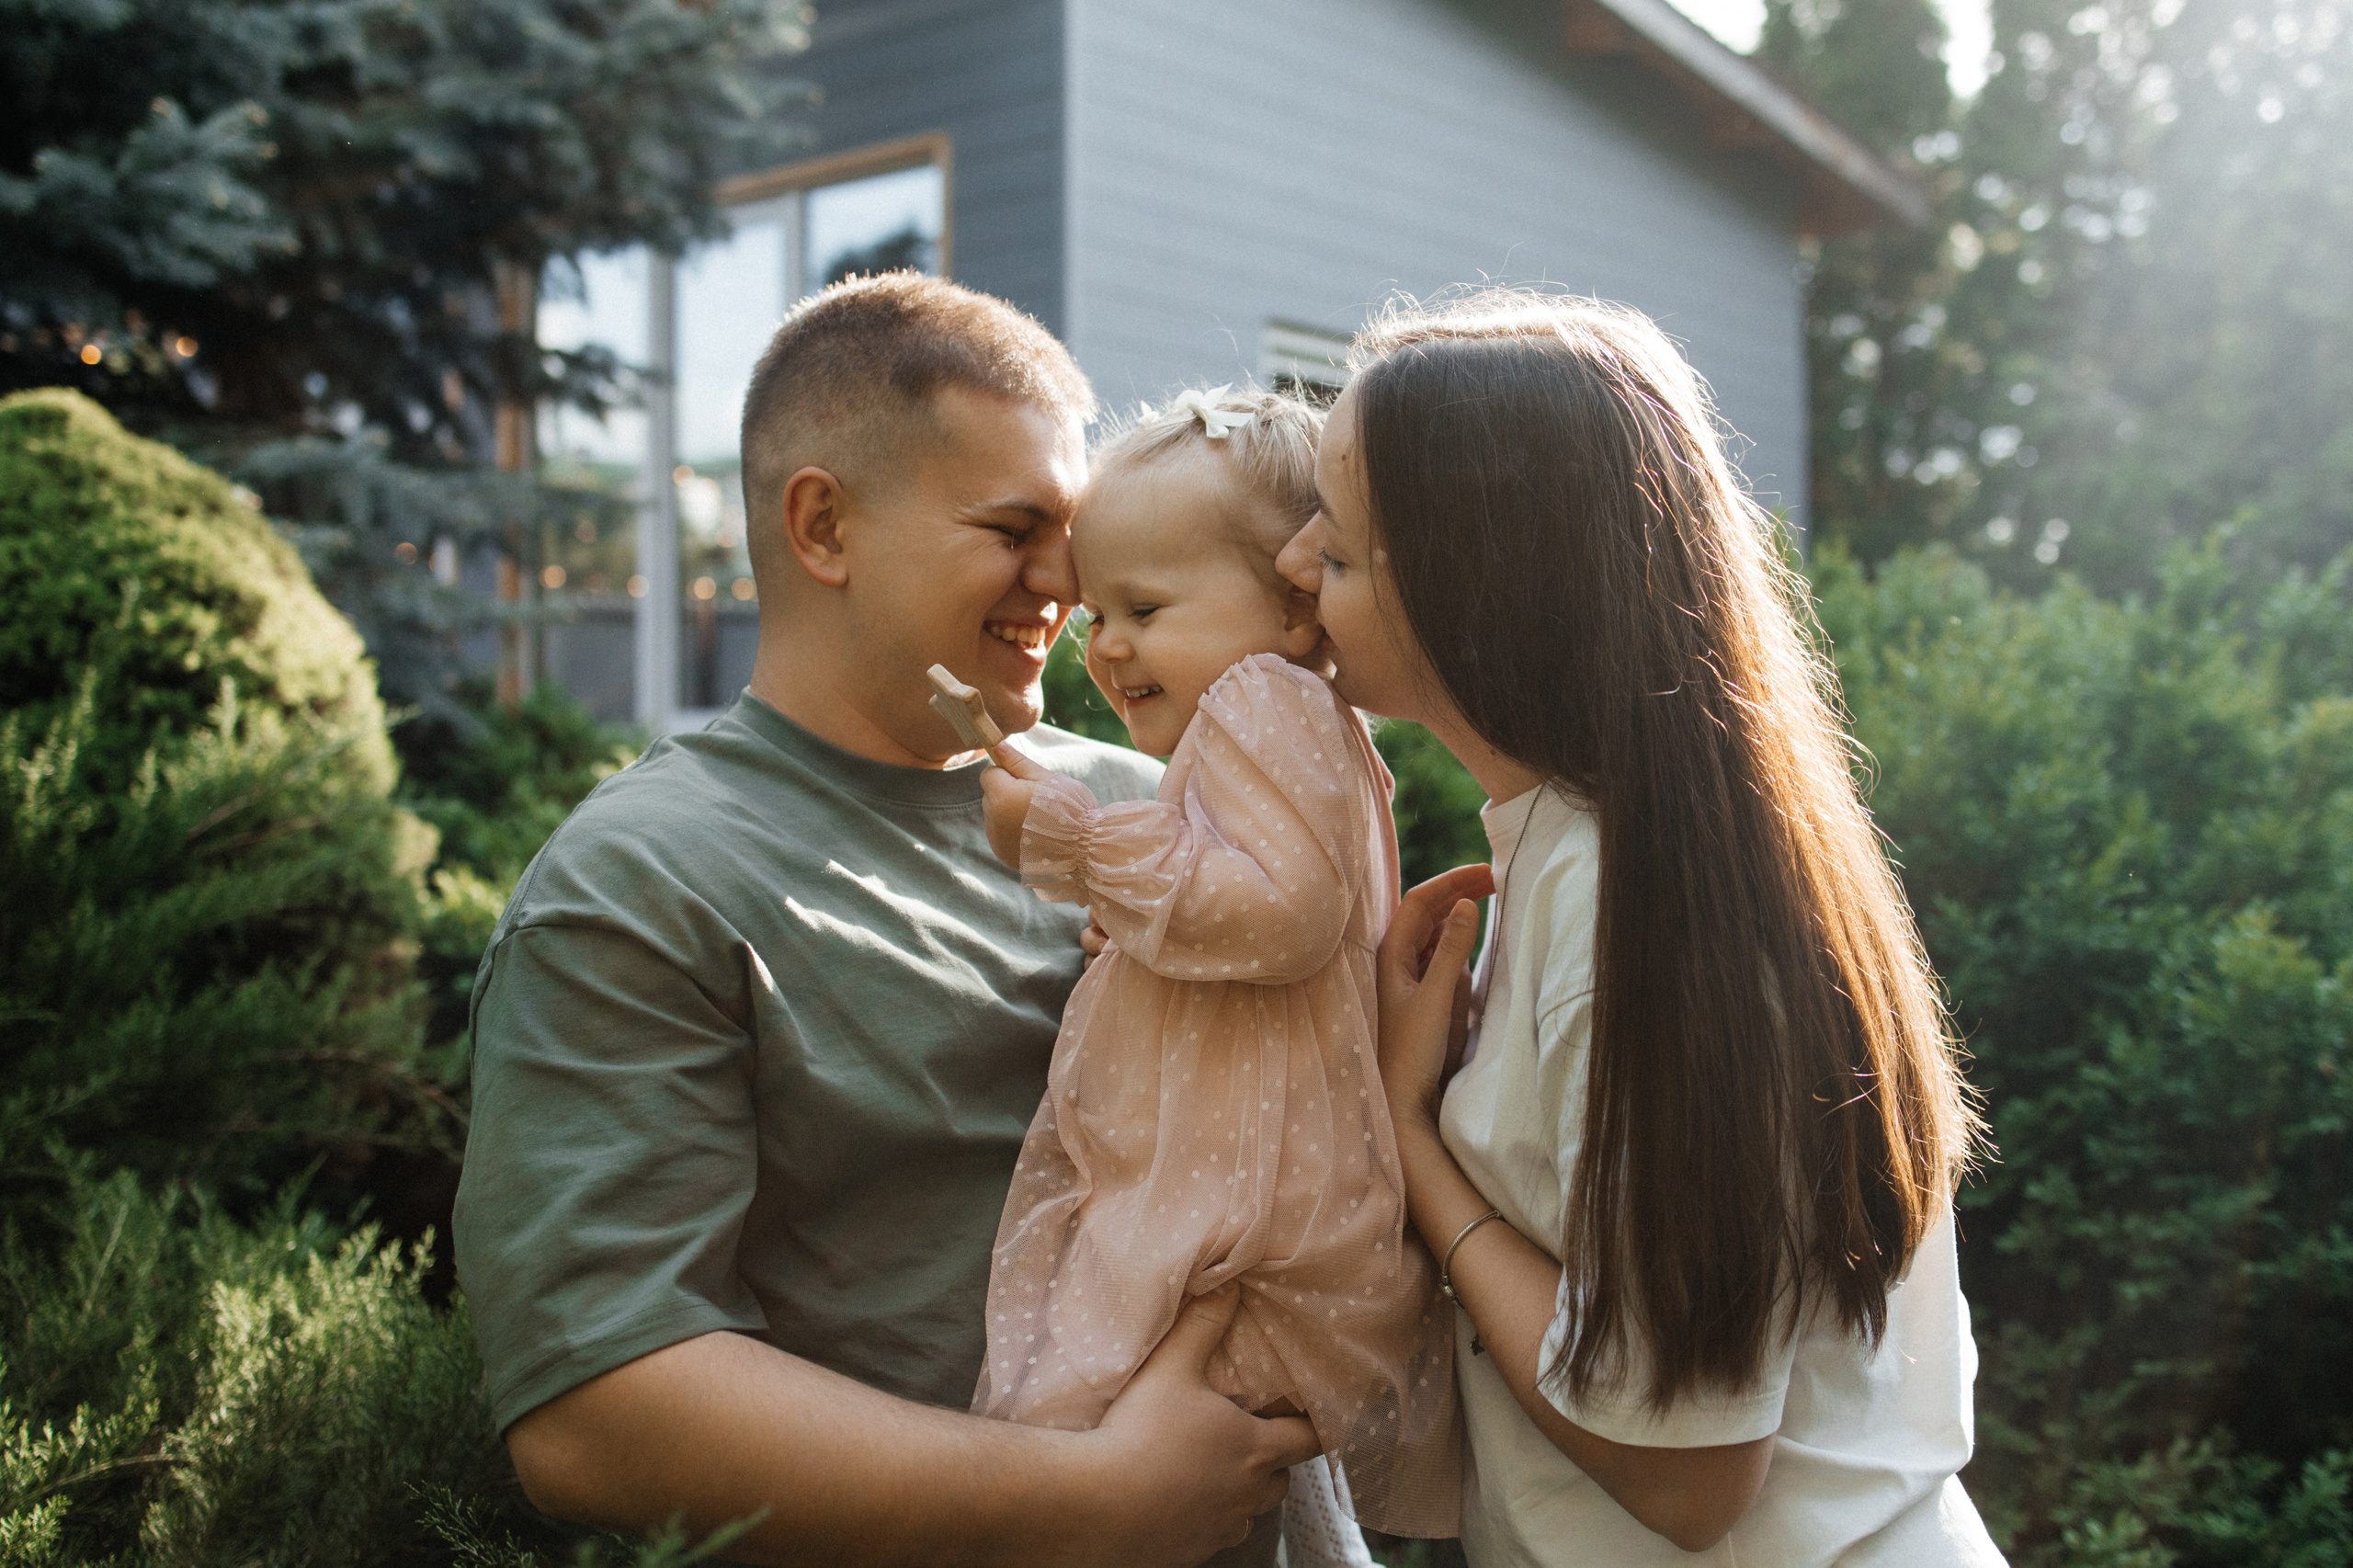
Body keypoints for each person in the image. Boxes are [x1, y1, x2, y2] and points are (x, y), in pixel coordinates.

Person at [452, 274, 1320, 1568]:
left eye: (1069, 534)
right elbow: (598, 1405)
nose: (1066, 582)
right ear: (823, 525)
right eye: (1014, 527)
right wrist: (1087, 1500)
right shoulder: (643, 882)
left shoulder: (1167, 799)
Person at [1276, 290, 2006, 1565]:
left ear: (1476, 583)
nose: (1291, 562)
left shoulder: (1628, 906)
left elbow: (1688, 1467)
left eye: (1336, 547)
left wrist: (1414, 1139)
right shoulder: (1619, 855)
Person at [968, 389, 1458, 1552]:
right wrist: (1149, 934)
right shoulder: (1283, 722)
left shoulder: (1258, 699)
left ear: (1294, 613)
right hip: (1252, 1221)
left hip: (1237, 1226)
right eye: (1097, 613)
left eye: (1143, 605)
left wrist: (1074, 845)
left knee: (1052, 1449)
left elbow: (1282, 914)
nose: (1108, 646)